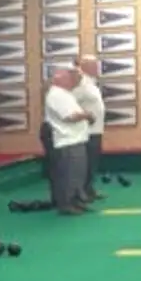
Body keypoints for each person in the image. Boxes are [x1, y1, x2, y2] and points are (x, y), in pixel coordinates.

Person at [43, 67, 90, 215]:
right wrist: (87, 115)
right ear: (59, 79)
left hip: (74, 139)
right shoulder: (56, 95)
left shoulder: (65, 94)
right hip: (66, 140)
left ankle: (75, 201)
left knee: (76, 174)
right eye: (69, 77)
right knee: (67, 175)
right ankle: (66, 204)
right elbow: (69, 117)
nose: (72, 79)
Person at [75, 55, 107, 203]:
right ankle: (81, 192)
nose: (97, 68)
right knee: (84, 164)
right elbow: (72, 103)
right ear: (84, 66)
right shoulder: (80, 83)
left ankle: (89, 189)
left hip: (96, 130)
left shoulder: (91, 83)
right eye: (94, 65)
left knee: (92, 162)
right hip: (85, 131)